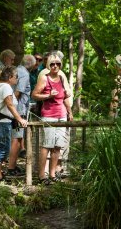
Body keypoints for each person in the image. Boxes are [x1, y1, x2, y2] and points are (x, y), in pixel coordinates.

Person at [32, 54, 73, 185]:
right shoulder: (45, 78)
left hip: (61, 115)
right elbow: (34, 95)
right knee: (46, 146)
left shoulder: (61, 78)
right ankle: (42, 176)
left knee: (57, 146)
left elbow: (65, 97)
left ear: (60, 65)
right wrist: (48, 95)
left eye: (58, 64)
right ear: (49, 65)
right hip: (48, 115)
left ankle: (52, 173)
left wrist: (69, 112)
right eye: (52, 64)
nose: (55, 66)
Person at [8, 55, 36, 176]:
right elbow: (18, 93)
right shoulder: (24, 74)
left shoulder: (16, 69)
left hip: (14, 109)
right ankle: (11, 168)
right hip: (18, 110)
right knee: (17, 139)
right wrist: (14, 108)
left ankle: (12, 165)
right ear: (30, 64)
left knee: (16, 138)